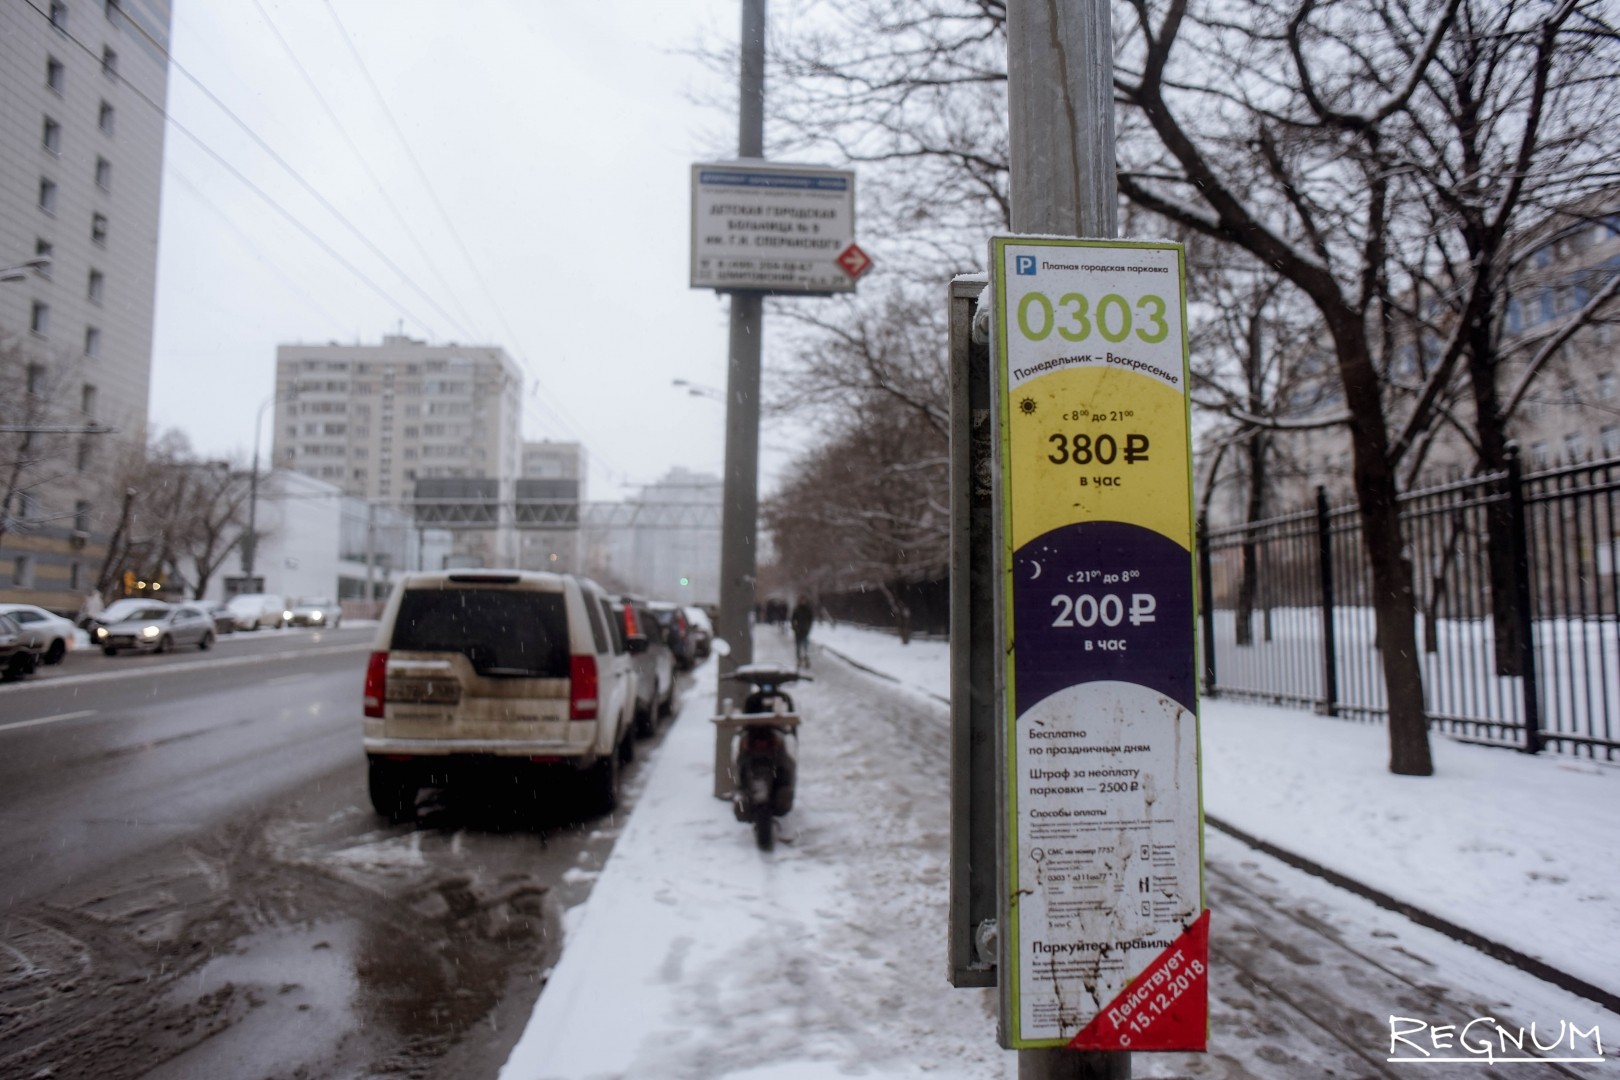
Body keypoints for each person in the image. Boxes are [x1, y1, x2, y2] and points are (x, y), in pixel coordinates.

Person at [790, 593, 814, 668]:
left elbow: (811, 619)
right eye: (801, 600)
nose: (803, 602)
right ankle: (799, 659)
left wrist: (808, 627)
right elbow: (793, 619)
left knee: (805, 646)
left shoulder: (808, 610)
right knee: (798, 646)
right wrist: (794, 627)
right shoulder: (797, 609)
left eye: (804, 600)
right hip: (798, 630)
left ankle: (806, 659)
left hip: (805, 630)